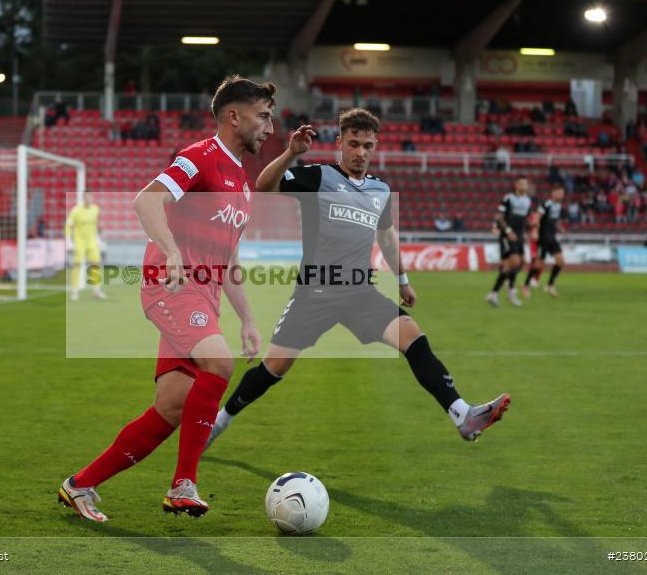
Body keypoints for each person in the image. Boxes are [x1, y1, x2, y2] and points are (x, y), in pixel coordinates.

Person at [206, 108, 510, 453]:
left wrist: (402, 280)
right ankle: (221, 421)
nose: (360, 152)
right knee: (273, 369)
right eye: (353, 144)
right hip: (315, 293)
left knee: (414, 338)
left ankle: (462, 414)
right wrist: (292, 152)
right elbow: (263, 187)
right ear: (339, 143)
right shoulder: (318, 176)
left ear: (375, 146)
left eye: (367, 145)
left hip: (360, 293)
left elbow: (387, 236)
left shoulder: (380, 190)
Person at [58, 76, 276, 521]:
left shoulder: (243, 184)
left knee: (171, 409)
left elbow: (229, 258)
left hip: (203, 297)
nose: (270, 128)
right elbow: (145, 202)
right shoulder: (199, 158)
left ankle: (80, 485)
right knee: (220, 364)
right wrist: (173, 251)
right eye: (264, 116)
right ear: (234, 116)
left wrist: (248, 320)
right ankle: (183, 485)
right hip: (172, 286)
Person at [486, 176, 532, 308]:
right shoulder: (508, 198)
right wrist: (507, 231)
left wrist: (531, 228)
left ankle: (497, 293)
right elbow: (500, 216)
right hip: (508, 235)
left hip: (519, 236)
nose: (524, 186)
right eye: (521, 184)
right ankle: (508, 292)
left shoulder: (528, 201)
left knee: (518, 263)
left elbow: (525, 219)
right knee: (514, 262)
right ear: (516, 185)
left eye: (526, 184)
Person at [523, 184, 567, 298]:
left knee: (560, 261)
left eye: (563, 193)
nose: (562, 195)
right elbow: (537, 216)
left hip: (552, 238)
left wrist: (560, 228)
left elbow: (553, 220)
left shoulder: (558, 206)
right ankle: (526, 284)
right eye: (559, 192)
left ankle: (550, 285)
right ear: (553, 193)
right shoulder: (546, 204)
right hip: (543, 238)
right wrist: (535, 231)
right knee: (539, 265)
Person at [65, 193, 106, 301]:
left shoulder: (95, 209)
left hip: (92, 241)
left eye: (91, 197)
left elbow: (98, 224)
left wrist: (99, 238)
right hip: (79, 242)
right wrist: (69, 240)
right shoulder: (76, 210)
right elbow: (69, 224)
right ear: (83, 198)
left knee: (96, 264)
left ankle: (96, 290)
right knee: (77, 265)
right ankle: (74, 291)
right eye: (87, 197)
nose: (89, 199)